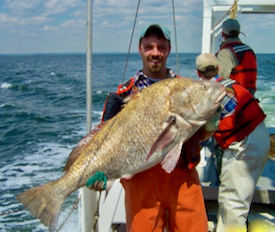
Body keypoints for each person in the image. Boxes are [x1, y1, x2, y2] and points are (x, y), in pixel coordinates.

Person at [86, 24, 210, 232]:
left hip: (183, 180)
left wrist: (211, 123)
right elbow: (103, 142)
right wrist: (98, 173)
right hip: (140, 184)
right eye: (149, 46)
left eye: (161, 47)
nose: (155, 53)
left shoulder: (187, 89)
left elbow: (202, 137)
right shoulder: (120, 97)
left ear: (168, 50)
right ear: (140, 49)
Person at [196, 53, 270, 232]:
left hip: (244, 146)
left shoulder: (210, 93)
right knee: (239, 198)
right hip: (261, 138)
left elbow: (210, 130)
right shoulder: (232, 85)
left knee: (232, 202)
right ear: (219, 68)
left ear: (198, 74)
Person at [216, 18, 257, 95]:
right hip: (248, 97)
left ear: (223, 34)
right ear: (239, 33)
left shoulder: (225, 53)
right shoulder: (249, 50)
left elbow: (220, 80)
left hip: (234, 98)